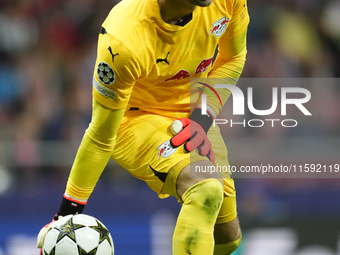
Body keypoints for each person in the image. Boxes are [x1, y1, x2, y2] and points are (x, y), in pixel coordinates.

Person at [37, 0, 249, 253]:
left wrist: (202, 119)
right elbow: (101, 134)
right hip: (135, 120)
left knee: (227, 238)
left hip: (194, 112)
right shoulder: (124, 38)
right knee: (205, 187)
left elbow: (232, 57)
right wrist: (67, 213)